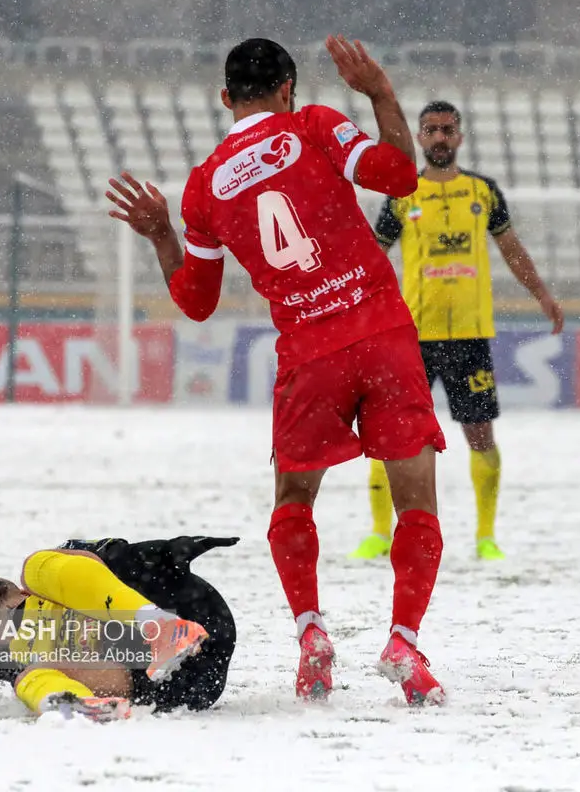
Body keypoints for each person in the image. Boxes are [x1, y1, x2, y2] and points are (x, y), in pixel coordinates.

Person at [105, 36, 447, 706]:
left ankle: (311, 630)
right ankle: (404, 639)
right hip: (380, 334)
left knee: (295, 502)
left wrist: (160, 234)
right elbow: (400, 176)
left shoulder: (204, 187)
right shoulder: (313, 125)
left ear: (225, 97)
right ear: (288, 87)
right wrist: (378, 92)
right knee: (416, 503)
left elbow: (196, 303)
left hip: (309, 353)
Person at [349, 100, 564, 562]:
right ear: (421, 138)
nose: (440, 137)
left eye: (448, 129)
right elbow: (372, 255)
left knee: (480, 434)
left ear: (460, 137)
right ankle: (378, 532)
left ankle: (486, 536)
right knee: (390, 435)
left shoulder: (482, 191)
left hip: (470, 337)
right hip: (412, 339)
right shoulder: (404, 194)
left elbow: (511, 249)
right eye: (431, 130)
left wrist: (541, 295)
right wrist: (355, 309)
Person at [0, 535, 236, 721]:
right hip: (182, 683)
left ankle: (161, 625)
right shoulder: (21, 661)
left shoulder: (47, 581)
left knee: (37, 565)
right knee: (30, 675)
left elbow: (114, 557)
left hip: (189, 610)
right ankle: (74, 707)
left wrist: (159, 552)